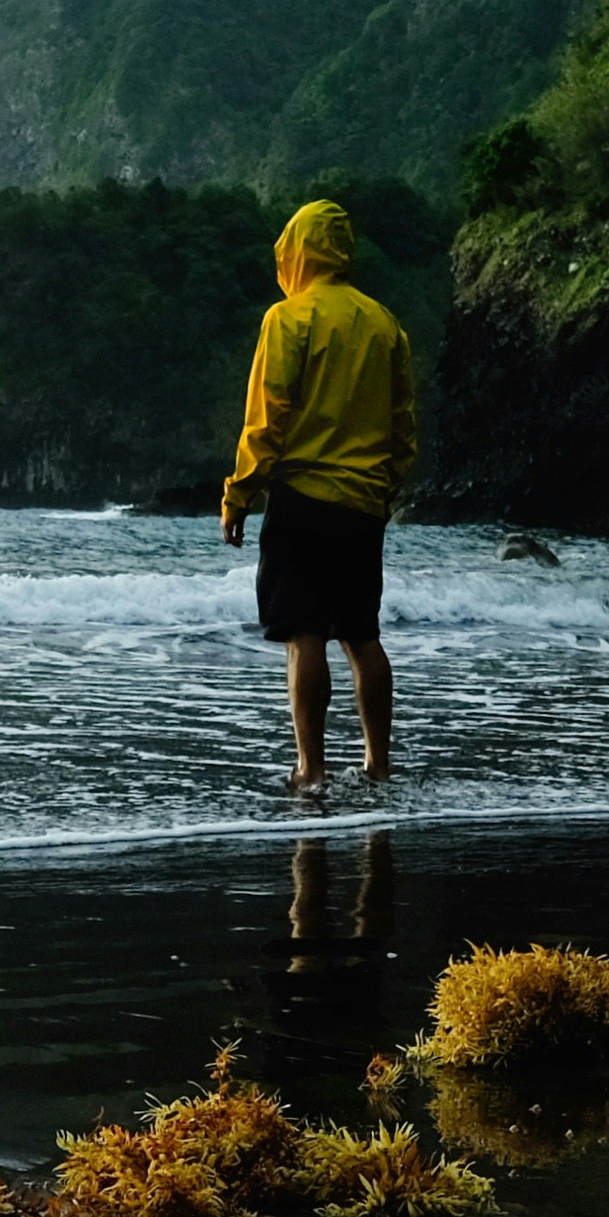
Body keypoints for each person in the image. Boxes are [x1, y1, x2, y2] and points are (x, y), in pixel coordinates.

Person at [220, 195, 414, 789]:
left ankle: (311, 770)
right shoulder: (385, 324)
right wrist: (384, 489)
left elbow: (267, 416)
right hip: (363, 504)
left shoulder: (288, 318)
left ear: (297, 252)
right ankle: (378, 765)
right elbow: (403, 427)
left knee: (305, 636)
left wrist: (239, 493)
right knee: (362, 634)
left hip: (302, 498)